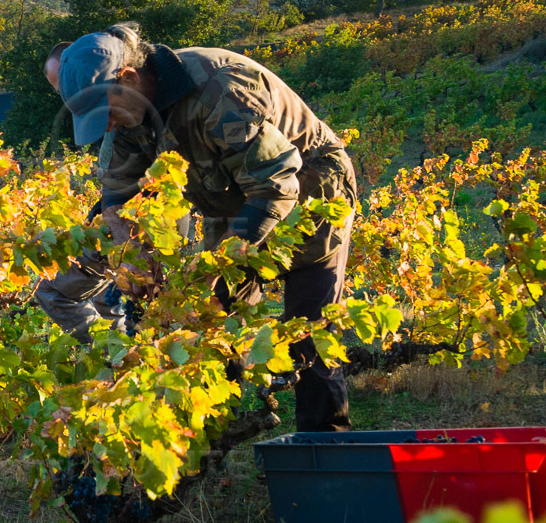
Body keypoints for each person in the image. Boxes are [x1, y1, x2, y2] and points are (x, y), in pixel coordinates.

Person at [51, 22, 356, 432]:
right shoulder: (127, 113)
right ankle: (209, 441)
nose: (106, 125)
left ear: (129, 78)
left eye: (105, 113)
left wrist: (218, 264)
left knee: (308, 331)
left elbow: (276, 184)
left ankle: (324, 451)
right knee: (210, 322)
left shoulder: (219, 90)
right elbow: (116, 193)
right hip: (228, 198)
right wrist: (131, 248)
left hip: (311, 192)